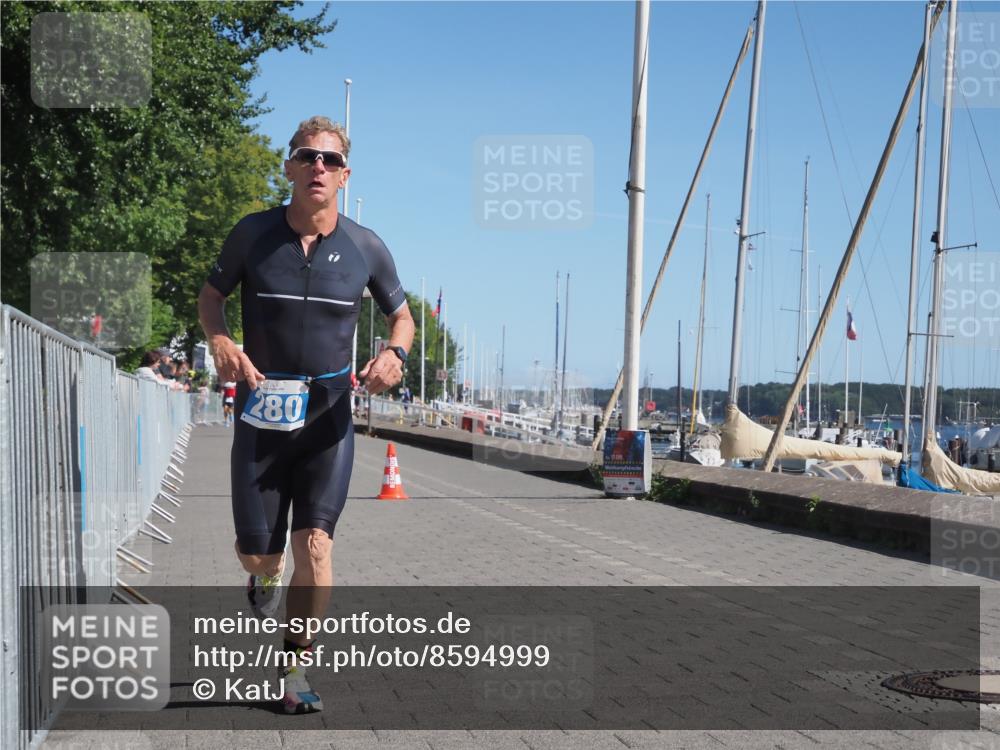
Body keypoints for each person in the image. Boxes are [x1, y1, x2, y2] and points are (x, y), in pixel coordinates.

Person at [197, 115, 415, 715]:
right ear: (290, 166)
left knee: (316, 546)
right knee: (259, 555)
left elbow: (404, 316)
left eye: (331, 160)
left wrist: (395, 354)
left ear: (345, 175)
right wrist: (220, 340)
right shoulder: (252, 235)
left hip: (327, 419)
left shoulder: (366, 247)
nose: (319, 167)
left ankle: (295, 669)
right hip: (260, 419)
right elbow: (212, 297)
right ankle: (263, 574)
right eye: (307, 156)